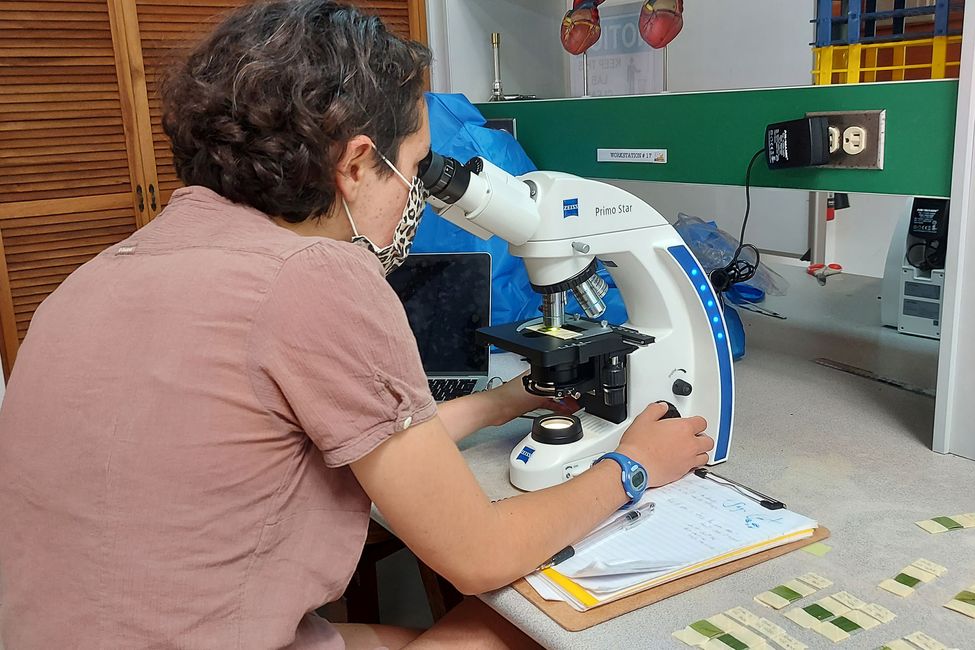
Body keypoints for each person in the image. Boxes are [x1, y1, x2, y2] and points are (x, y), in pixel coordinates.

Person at [0, 2, 713, 648]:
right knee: (520, 625)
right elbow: (481, 553)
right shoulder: (314, 276)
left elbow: (338, 434)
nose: (416, 197)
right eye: (415, 166)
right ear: (358, 164)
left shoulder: (104, 269)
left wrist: (503, 402)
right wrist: (635, 467)